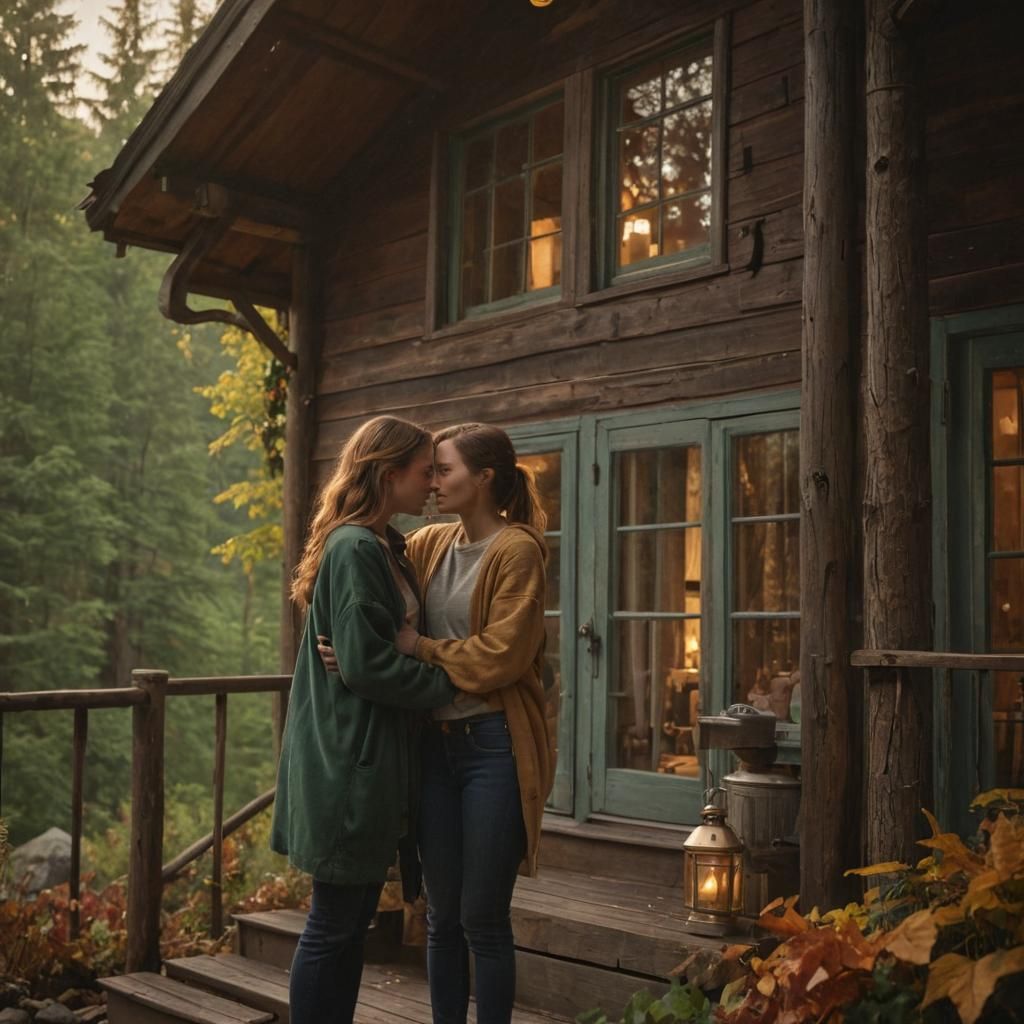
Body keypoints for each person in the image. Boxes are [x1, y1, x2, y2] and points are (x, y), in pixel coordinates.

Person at [270, 415, 459, 1024]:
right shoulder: (355, 547)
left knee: (349, 925)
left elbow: (366, 656)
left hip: (366, 757)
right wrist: (447, 682)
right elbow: (369, 666)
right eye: (425, 471)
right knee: (333, 924)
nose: (433, 484)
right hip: (348, 761)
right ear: (388, 473)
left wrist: (377, 658)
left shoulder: (385, 543)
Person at [398, 423, 553, 1024]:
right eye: (430, 472)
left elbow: (502, 656)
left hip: (494, 748)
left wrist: (420, 649)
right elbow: (376, 591)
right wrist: (348, 645)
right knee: (441, 916)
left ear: (483, 478)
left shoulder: (517, 549)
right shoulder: (430, 542)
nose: (432, 482)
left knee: (483, 915)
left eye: (443, 470)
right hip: (434, 749)